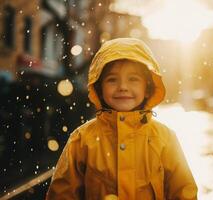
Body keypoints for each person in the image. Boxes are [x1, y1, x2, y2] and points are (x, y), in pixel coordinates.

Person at [45, 38, 197, 200]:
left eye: (133, 79)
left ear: (147, 88)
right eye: (112, 79)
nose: (123, 87)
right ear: (99, 87)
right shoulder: (82, 139)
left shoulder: (164, 138)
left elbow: (183, 191)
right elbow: (62, 194)